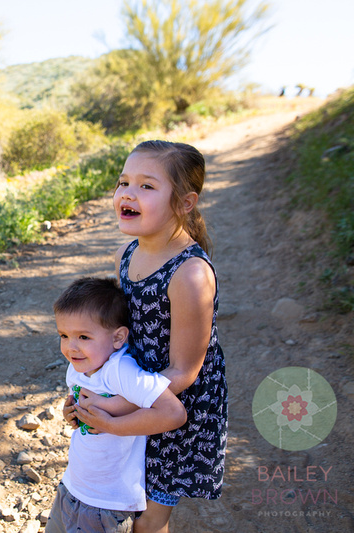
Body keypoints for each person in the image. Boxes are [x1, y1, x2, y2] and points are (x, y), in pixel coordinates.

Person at [66, 140, 228, 533]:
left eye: (146, 186)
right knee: (125, 495)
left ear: (185, 203)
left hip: (171, 404)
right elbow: (112, 334)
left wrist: (116, 405)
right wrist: (90, 392)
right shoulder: (126, 253)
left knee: (148, 517)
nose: (127, 193)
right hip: (131, 384)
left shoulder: (190, 275)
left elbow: (185, 370)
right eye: (124, 182)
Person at [47, 277, 187, 533]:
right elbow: (86, 418)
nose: (71, 347)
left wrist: (111, 424)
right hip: (72, 487)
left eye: (83, 336)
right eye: (64, 335)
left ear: (118, 337)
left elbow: (174, 413)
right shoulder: (78, 367)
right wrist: (72, 415)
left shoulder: (120, 371)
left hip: (107, 503)